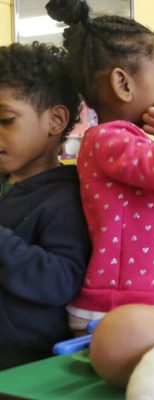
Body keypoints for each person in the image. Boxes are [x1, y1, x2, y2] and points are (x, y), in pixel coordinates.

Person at [45, 0, 154, 333]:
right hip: (114, 309)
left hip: (133, 303)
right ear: (123, 84)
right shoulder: (110, 140)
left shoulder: (127, 141)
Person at [0, 42, 90, 369]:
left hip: (24, 368)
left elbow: (62, 280)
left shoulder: (66, 197)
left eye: (6, 120)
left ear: (55, 121)